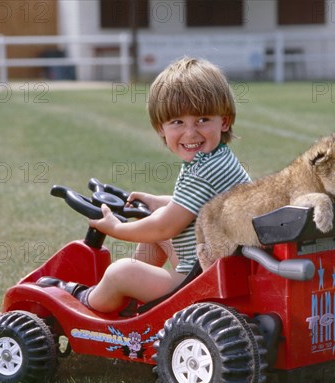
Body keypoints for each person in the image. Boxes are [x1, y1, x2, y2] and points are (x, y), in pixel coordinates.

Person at [39, 57, 250, 313]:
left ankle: (88, 301)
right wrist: (156, 201)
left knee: (121, 271)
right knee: (158, 214)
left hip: (200, 282)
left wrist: (116, 227)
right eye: (177, 122)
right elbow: (194, 206)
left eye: (203, 119)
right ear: (161, 127)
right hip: (217, 268)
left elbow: (164, 227)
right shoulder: (215, 158)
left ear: (224, 121)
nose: (191, 132)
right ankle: (131, 300)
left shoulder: (205, 170)